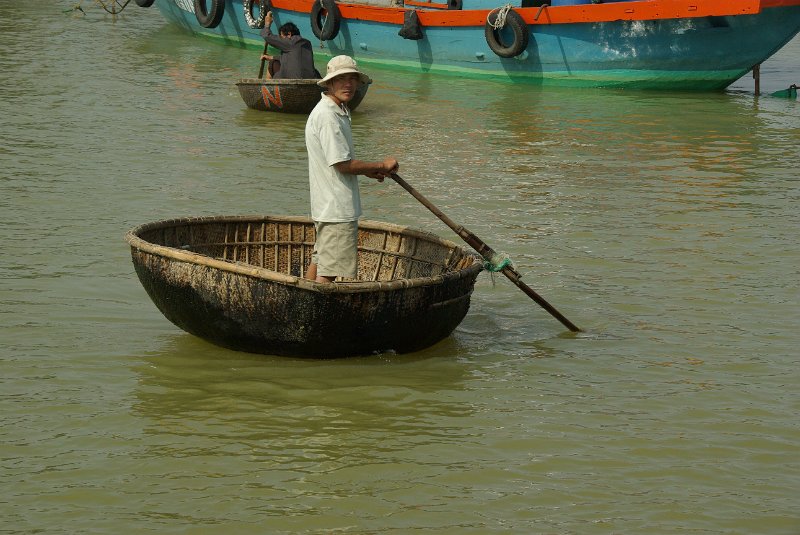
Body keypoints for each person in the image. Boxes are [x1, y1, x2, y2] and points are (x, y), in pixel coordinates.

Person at [304, 55, 399, 283]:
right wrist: (380, 165)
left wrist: (367, 170)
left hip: (328, 205)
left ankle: (305, 305)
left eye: (352, 79)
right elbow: (342, 164)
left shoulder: (336, 110)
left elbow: (340, 162)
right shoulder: (328, 116)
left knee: (320, 262)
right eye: (341, 79)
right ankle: (318, 317)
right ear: (329, 83)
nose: (348, 84)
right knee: (329, 272)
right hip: (336, 208)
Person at [260, 11, 320, 79]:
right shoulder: (307, 43)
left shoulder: (291, 42)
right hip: (310, 79)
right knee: (314, 71)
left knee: (272, 63)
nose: (281, 39)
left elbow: (267, 36)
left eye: (281, 37)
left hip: (292, 80)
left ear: (289, 34)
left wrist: (267, 24)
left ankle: (268, 87)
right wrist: (271, 57)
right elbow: (293, 59)